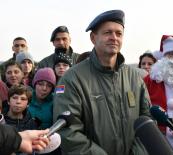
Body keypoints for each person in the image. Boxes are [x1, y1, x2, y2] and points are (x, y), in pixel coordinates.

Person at [53, 10, 150, 155]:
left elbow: (146, 120)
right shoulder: (72, 79)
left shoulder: (134, 77)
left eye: (119, 33)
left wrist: (138, 152)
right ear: (93, 38)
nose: (114, 38)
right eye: (107, 33)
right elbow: (68, 132)